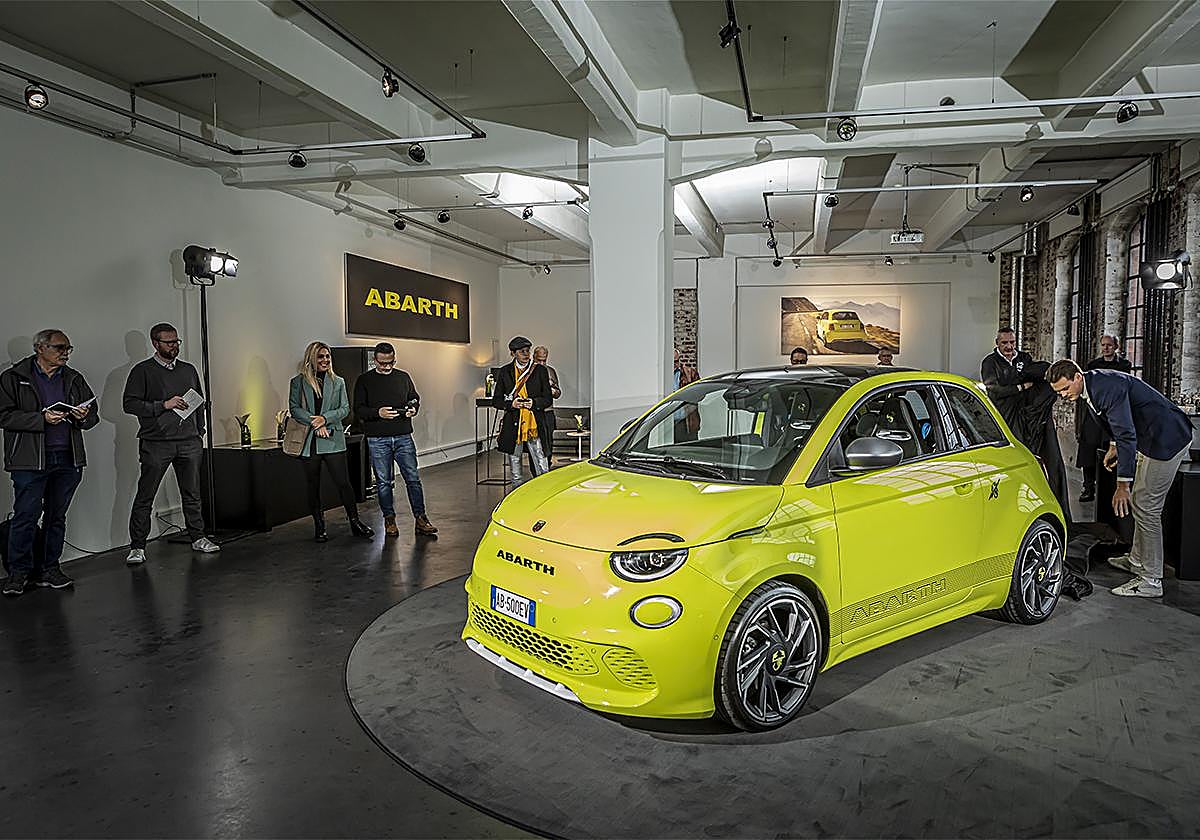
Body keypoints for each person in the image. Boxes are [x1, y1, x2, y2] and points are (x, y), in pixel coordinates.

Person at [1047, 360, 1191, 598]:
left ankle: (1151, 580)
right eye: (1058, 391)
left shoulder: (1106, 387)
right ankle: (1136, 559)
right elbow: (1116, 421)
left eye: (1064, 388)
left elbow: (1126, 433)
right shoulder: (1092, 385)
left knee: (1147, 507)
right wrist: (1113, 446)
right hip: (1149, 438)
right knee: (1140, 501)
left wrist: (1122, 484)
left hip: (1166, 439)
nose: (1063, 395)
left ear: (1077, 377)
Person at [1, 330, 98, 595]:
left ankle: (50, 569)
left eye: (68, 347)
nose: (65, 352)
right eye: (59, 347)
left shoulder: (74, 378)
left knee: (56, 517)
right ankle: (18, 573)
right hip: (30, 461)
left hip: (67, 457)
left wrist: (82, 416)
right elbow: (5, 416)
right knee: (25, 517)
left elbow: (93, 417)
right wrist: (40, 419)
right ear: (40, 348)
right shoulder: (13, 378)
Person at [123, 323, 220, 565]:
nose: (174, 346)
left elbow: (198, 401)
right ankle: (137, 546)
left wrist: (200, 431)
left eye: (176, 342)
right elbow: (130, 404)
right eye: (169, 342)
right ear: (155, 343)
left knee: (192, 493)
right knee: (146, 494)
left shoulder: (188, 370)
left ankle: (198, 536)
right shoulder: (142, 371)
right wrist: (162, 405)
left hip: (188, 441)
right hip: (157, 442)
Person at [981, 328, 1071, 519]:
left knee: (1043, 459)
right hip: (1005, 418)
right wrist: (1019, 387)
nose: (1009, 347)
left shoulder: (1024, 358)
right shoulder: (990, 362)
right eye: (1005, 343)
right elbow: (994, 390)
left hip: (1029, 417)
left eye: (1012, 342)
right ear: (997, 343)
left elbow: (1037, 375)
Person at [289, 342, 374, 543]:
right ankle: (319, 527)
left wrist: (324, 419)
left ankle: (355, 522)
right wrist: (316, 423)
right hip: (310, 441)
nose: (325, 360)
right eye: (320, 357)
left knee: (344, 483)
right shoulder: (298, 382)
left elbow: (345, 409)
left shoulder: (338, 382)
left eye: (327, 356)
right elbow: (294, 409)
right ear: (311, 359)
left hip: (332, 439)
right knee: (313, 485)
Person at [353, 343, 436, 538]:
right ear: (375, 360)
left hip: (403, 435)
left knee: (413, 478)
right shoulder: (364, 380)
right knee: (384, 482)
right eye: (383, 364)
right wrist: (378, 413)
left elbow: (414, 397)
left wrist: (412, 408)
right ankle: (389, 519)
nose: (387, 367)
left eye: (390, 363)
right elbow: (358, 409)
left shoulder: (403, 377)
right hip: (378, 438)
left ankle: (421, 518)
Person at [1076, 335, 1132, 502]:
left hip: (1113, 413)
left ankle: (1109, 487)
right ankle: (1088, 487)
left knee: (1110, 449)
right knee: (1088, 450)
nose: (1106, 348)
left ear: (1116, 346)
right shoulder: (1094, 366)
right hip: (1095, 414)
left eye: (1109, 345)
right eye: (1103, 345)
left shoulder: (1124, 365)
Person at [493, 336, 553, 487]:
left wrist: (534, 402)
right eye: (522, 352)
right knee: (515, 466)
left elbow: (548, 399)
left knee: (542, 463)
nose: (526, 354)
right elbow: (497, 400)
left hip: (534, 423)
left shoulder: (539, 370)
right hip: (513, 424)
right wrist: (511, 404)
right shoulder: (505, 371)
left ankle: (544, 495)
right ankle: (516, 499)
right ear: (513, 353)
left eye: (527, 351)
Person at [673, 347, 701, 442]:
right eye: (672, 362)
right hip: (668, 421)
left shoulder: (689, 373)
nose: (674, 365)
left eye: (676, 361)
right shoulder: (663, 376)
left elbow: (700, 394)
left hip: (687, 420)